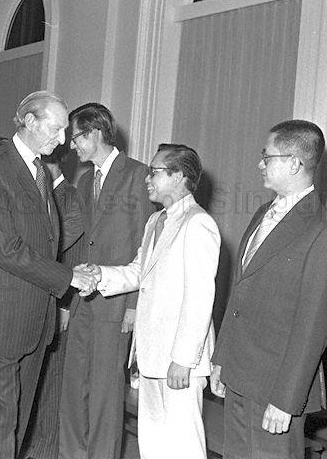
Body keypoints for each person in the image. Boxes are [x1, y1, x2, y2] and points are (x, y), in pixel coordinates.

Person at [0, 90, 96, 458]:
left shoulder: (38, 170)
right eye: (56, 129)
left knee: (17, 423)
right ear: (30, 121)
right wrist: (67, 278)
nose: (63, 139)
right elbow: (7, 250)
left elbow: (45, 239)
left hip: (34, 319)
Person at [210, 120, 327, 459]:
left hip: (276, 386)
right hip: (240, 372)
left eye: (267, 156)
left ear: (294, 163)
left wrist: (286, 400)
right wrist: (221, 361)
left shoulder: (324, 231)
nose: (260, 163)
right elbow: (239, 294)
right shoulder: (263, 213)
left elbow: (313, 325)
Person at [81, 144, 219, 458]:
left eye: (155, 172)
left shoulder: (198, 224)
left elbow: (200, 299)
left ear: (180, 177)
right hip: (152, 355)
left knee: (183, 446)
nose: (147, 179)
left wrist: (183, 359)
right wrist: (98, 275)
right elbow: (138, 273)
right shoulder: (156, 220)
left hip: (179, 360)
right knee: (154, 442)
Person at [59, 102, 155, 459]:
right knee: (74, 388)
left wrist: (133, 306)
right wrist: (67, 301)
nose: (72, 146)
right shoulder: (85, 181)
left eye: (77, 137)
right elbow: (81, 242)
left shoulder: (138, 174)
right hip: (83, 299)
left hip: (117, 303)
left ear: (95, 133)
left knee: (105, 394)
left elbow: (146, 249)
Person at [23, 143, 85, 459]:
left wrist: (63, 303)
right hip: (43, 296)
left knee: (52, 378)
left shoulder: (69, 199)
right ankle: (39, 445)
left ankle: (47, 450)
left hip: (61, 297)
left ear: (53, 165)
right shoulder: (46, 196)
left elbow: (62, 255)